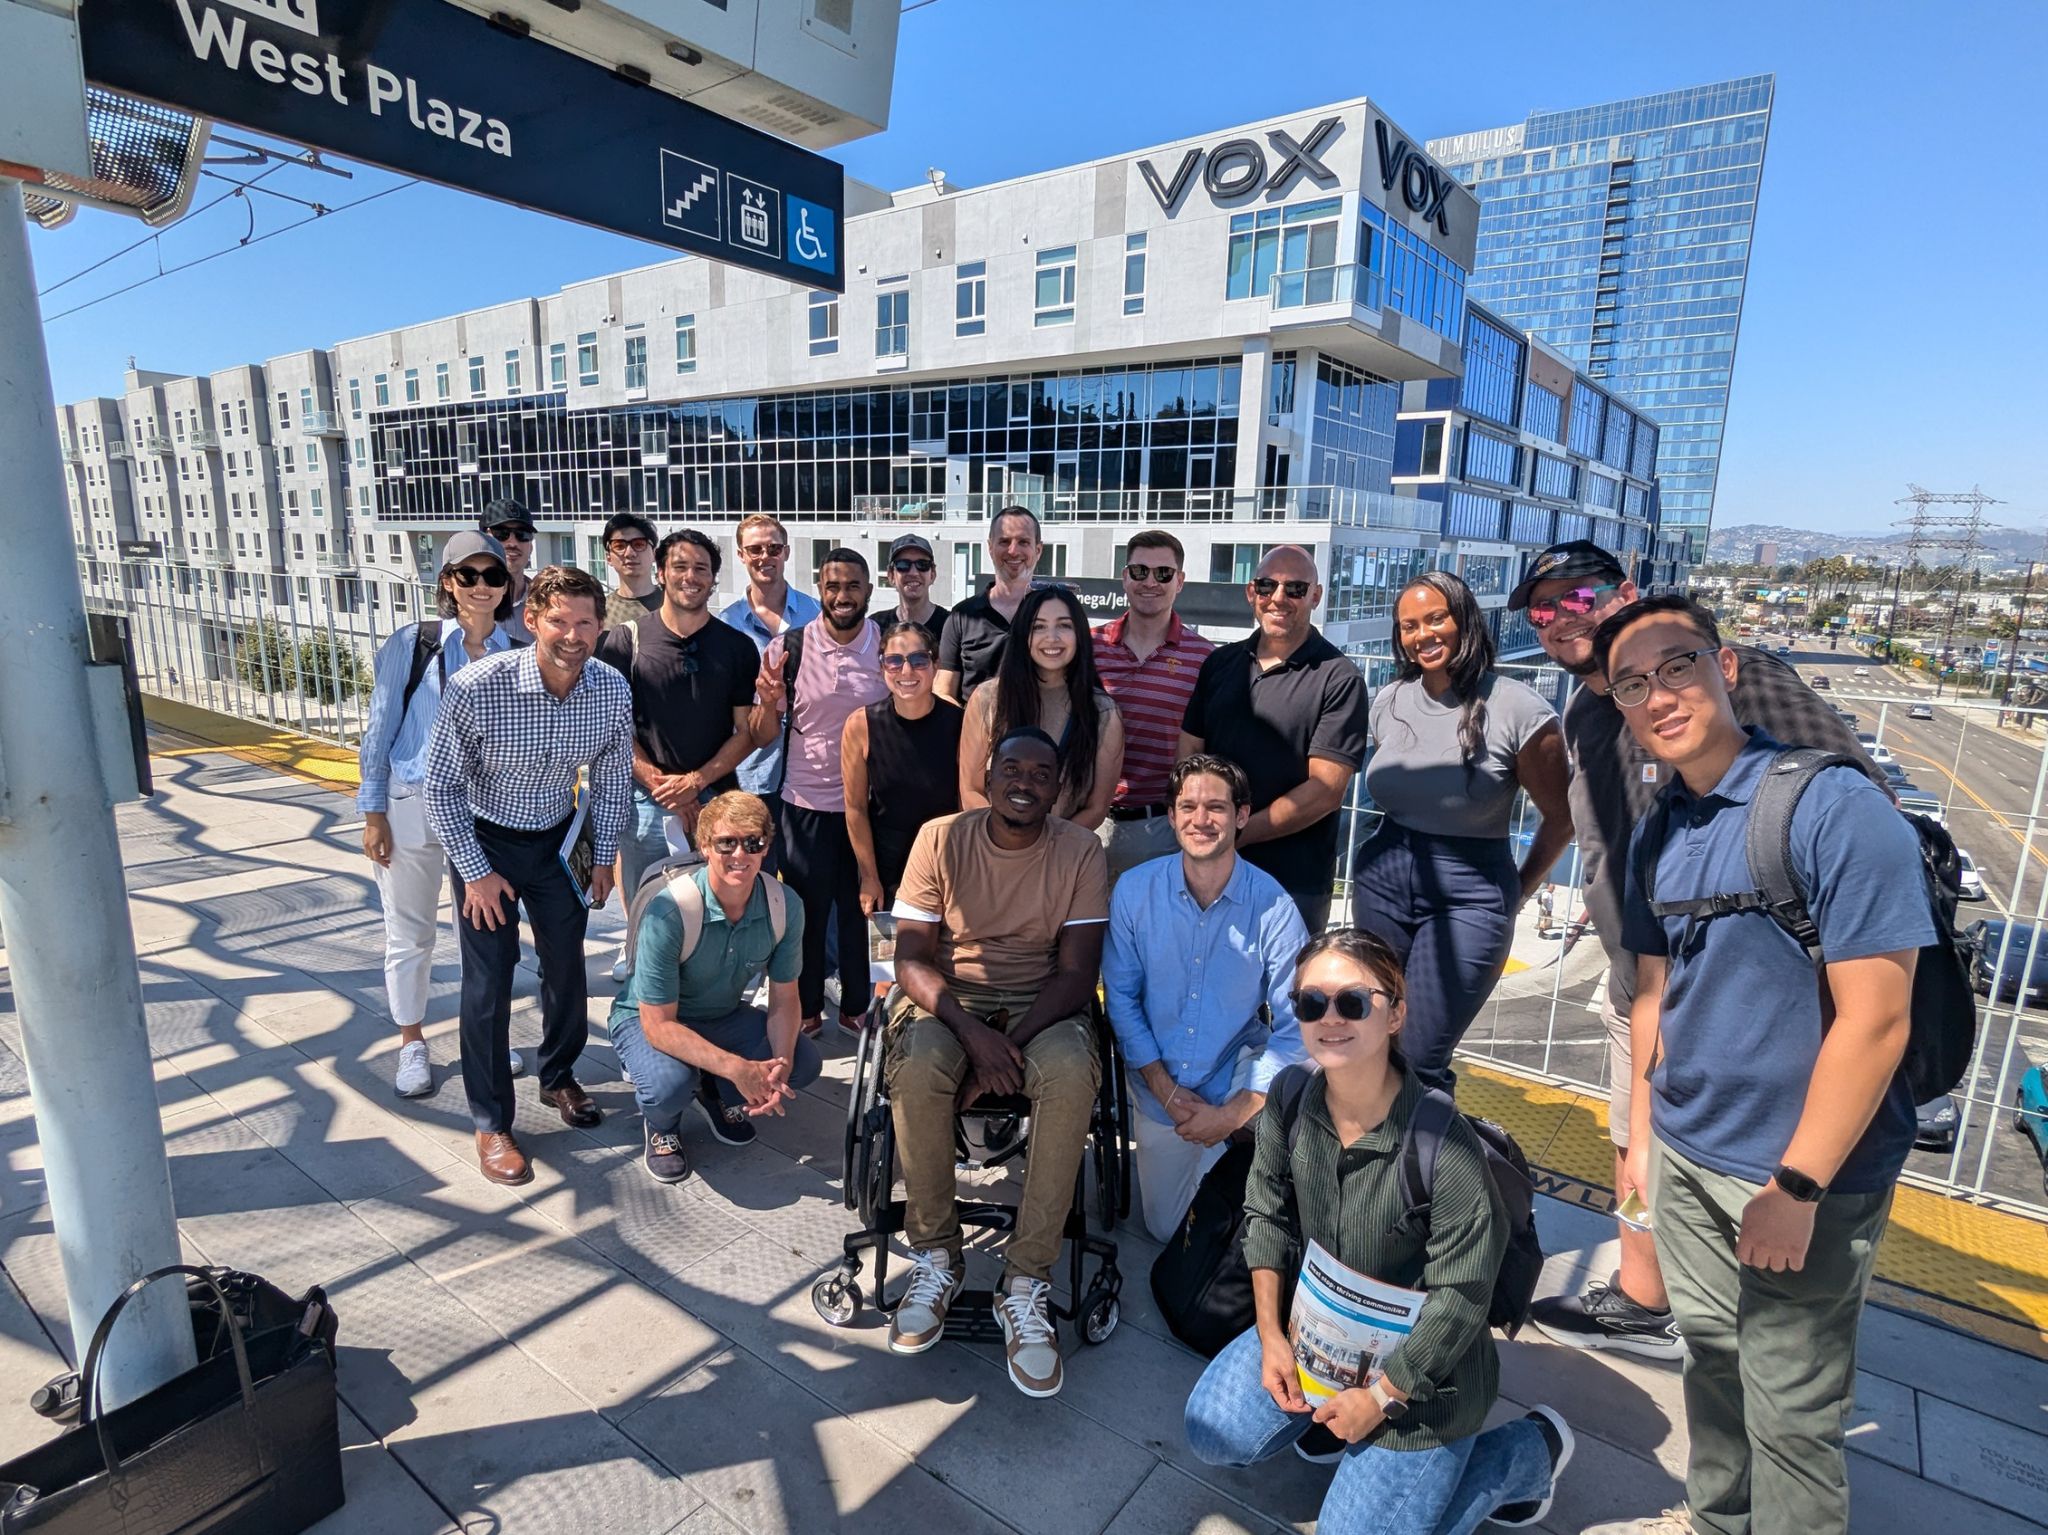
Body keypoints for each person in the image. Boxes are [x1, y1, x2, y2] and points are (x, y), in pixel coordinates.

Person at [1603, 595, 1928, 1535]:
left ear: (1727, 665)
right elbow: (1654, 997)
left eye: (1677, 666)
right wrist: (1641, 1143)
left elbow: (1878, 1021)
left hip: (1797, 1174)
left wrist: (1797, 1183)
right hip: (1689, 1152)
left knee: (1791, 1409)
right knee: (1710, 1363)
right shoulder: (1658, 828)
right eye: (1634, 683)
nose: (1659, 695)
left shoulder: (1833, 807)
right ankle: (1718, 1521)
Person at [1515, 542, 1886, 1361]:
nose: (1560, 617)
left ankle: (1726, 1326)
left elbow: (1846, 799)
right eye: (1541, 610)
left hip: (1739, 987)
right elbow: (1588, 826)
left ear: (1628, 591)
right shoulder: (1586, 710)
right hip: (1643, 972)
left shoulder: (1731, 678)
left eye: (1579, 595)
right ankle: (1650, 1301)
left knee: (1742, 1176)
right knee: (1632, 1137)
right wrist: (1526, 882)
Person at [1184, 927, 1573, 1535]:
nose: (1330, 1018)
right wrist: (1269, 1334)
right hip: (1319, 1339)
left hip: (1423, 1376)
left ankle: (1527, 1453)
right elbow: (1266, 1213)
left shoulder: (1444, 1148)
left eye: (1354, 1002)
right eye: (1312, 1003)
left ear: (1395, 1014)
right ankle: (1339, 1435)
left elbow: (1462, 1298)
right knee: (1213, 1429)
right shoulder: (1288, 1099)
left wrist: (1382, 1397)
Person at [884, 728, 1110, 1398]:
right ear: (987, 773)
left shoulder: (1079, 851)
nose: (1025, 781)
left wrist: (1004, 1048)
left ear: (1059, 786)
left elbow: (1077, 974)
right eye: (1012, 767)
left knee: (1071, 1074)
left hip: (1043, 1000)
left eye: (1042, 772)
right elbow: (911, 959)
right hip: (950, 997)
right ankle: (936, 1253)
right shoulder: (939, 836)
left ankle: (1026, 1278)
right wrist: (971, 1035)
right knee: (920, 1064)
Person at [424, 564, 633, 1186]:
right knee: (487, 982)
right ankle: (491, 1121)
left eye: (585, 623)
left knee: (567, 966)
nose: (572, 635)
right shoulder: (477, 686)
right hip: (485, 842)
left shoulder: (610, 690)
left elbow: (613, 777)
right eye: (559, 621)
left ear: (600, 625)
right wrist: (476, 872)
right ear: (532, 620)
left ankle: (558, 1075)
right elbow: (440, 785)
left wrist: (603, 856)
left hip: (556, 839)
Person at [1353, 571, 1572, 1091]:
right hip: (1382, 879)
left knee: (1419, 1060)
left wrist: (1516, 892)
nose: (1422, 635)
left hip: (1469, 894)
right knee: (1368, 1044)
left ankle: (1422, 1171)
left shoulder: (1519, 708)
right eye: (1409, 626)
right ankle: (1360, 1170)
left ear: (1464, 620)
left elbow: (1562, 817)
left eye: (1435, 619)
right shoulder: (1388, 701)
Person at [1102, 754, 1308, 1241]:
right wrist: (1163, 1089)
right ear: (1171, 816)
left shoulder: (1274, 905)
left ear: (1241, 815)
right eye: (1187, 806)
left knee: (1233, 1228)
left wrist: (1236, 1111)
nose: (1201, 820)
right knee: (1168, 1231)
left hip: (1238, 1077)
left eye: (1216, 807)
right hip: (1160, 1087)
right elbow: (1123, 1000)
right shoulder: (1134, 892)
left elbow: (1297, 1024)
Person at [358, 532, 519, 1099]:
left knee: (482, 933)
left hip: (481, 813)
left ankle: (486, 1037)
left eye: (492, 576)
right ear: (448, 582)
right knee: (410, 933)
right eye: (467, 575)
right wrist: (372, 810)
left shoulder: (517, 652)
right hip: (412, 801)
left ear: (505, 584)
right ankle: (411, 1042)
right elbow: (380, 727)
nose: (481, 586)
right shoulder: (415, 643)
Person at [607, 791, 820, 1177]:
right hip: (647, 1018)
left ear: (766, 847)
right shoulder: (669, 910)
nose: (740, 854)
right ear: (704, 846)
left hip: (719, 1013)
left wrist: (779, 1066)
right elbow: (658, 1025)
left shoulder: (784, 904)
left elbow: (785, 1000)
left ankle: (714, 1092)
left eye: (752, 842)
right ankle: (662, 1125)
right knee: (669, 1085)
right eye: (727, 843)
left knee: (803, 1062)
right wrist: (736, 1067)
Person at [1179, 546, 1369, 933]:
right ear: (1252, 592)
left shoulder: (1339, 678)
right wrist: (1202, 828)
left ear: (1315, 596)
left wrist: (1236, 834)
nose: (1279, 598)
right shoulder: (1220, 663)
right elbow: (1189, 752)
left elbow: (1325, 791)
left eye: (1295, 588)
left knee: (1286, 992)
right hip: (1212, 868)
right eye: (1267, 586)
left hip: (1293, 882)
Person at [750, 549, 888, 1039]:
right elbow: (762, 733)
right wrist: (766, 702)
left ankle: (855, 1005)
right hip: (803, 804)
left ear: (869, 590)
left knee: (862, 911)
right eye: (833, 586)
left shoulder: (886, 646)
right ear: (820, 591)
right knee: (805, 915)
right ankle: (806, 1009)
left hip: (870, 808)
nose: (843, 596)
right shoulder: (789, 647)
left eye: (853, 585)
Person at [593, 528, 761, 905]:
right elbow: (613, 729)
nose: (691, 577)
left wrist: (695, 782)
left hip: (717, 798)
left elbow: (746, 731)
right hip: (645, 801)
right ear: (661, 573)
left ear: (714, 580)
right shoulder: (624, 640)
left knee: (715, 913)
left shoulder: (737, 647)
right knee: (647, 911)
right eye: (680, 566)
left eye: (701, 568)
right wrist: (666, 788)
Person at [1091, 530, 1216, 883]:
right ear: (1124, 578)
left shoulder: (1205, 658)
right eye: (1139, 571)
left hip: (1161, 829)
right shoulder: (1090, 646)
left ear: (1180, 581)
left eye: (1163, 573)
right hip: (1089, 823)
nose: (1150, 581)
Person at [958, 585, 1124, 831]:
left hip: (1061, 854)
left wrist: (1045, 849)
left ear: (1079, 634)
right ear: (1023, 634)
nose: (1052, 637)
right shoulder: (988, 698)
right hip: (994, 850)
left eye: (1064, 626)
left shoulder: (1103, 713)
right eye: (1038, 626)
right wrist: (1007, 843)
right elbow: (971, 789)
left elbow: (1097, 807)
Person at [843, 621, 964, 917]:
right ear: (882, 666)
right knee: (890, 961)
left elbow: (966, 803)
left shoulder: (959, 721)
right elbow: (855, 808)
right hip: (887, 863)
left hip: (944, 859)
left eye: (919, 660)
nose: (906, 672)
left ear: (935, 664)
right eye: (894, 661)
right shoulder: (861, 724)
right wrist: (869, 877)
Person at [721, 513, 822, 800]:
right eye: (755, 549)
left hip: (811, 771)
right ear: (741, 555)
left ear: (786, 552)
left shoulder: (816, 614)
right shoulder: (727, 623)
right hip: (751, 771)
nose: (765, 556)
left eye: (773, 548)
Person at [937, 506, 1043, 699]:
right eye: (1004, 541)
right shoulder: (962, 616)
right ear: (990, 547)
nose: (1013, 550)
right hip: (974, 727)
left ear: (1038, 550)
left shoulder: (1053, 614)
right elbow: (944, 692)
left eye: (1023, 542)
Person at [879, 532, 950, 653]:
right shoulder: (877, 626)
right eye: (903, 565)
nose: (913, 573)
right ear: (891, 575)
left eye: (922, 565)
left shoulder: (951, 626)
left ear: (932, 574)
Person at [483, 498, 538, 643]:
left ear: (531, 546)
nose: (512, 543)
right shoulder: (469, 603)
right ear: (481, 542)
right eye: (502, 534)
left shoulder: (546, 602)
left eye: (522, 534)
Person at [600, 511, 663, 629]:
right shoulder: (599, 612)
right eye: (619, 546)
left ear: (654, 554)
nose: (630, 553)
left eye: (639, 544)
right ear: (608, 558)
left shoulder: (674, 606)